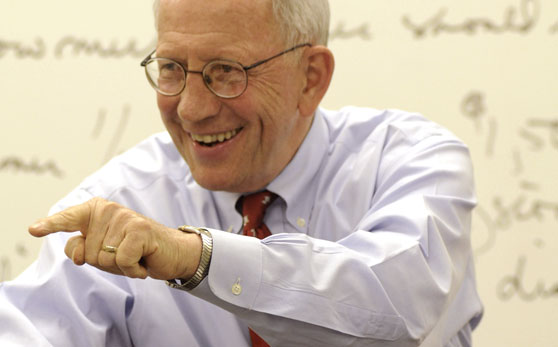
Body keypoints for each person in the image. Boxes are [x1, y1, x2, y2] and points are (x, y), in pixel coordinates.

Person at [0, 0, 483, 346]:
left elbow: (393, 314)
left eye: (226, 71)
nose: (190, 110)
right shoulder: (123, 202)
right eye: (171, 68)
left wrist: (195, 259)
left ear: (310, 77)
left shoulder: (413, 163)